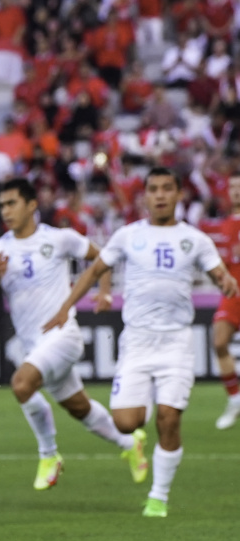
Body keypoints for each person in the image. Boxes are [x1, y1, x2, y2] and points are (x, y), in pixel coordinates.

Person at [44, 167, 238, 518]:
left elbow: (218, 271)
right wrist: (64, 308)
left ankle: (158, 497)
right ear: (144, 196)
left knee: (169, 418)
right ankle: (140, 416)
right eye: (153, 189)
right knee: (126, 423)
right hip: (136, 343)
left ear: (179, 194)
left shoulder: (194, 239)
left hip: (176, 343)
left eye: (167, 188)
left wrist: (226, 282)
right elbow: (94, 271)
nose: (160, 195)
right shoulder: (127, 236)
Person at [0, 178, 148, 491]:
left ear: (31, 205)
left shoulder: (59, 239)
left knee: (21, 384)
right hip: (33, 344)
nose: (6, 211)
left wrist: (105, 292)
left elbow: (103, 258)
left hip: (63, 335)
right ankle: (129, 444)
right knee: (78, 408)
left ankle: (49, 455)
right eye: (2, 205)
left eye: (12, 203)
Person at [211, 172, 240, 429]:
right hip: (233, 296)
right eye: (232, 187)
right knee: (219, 341)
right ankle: (235, 399)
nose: (235, 191)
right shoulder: (226, 223)